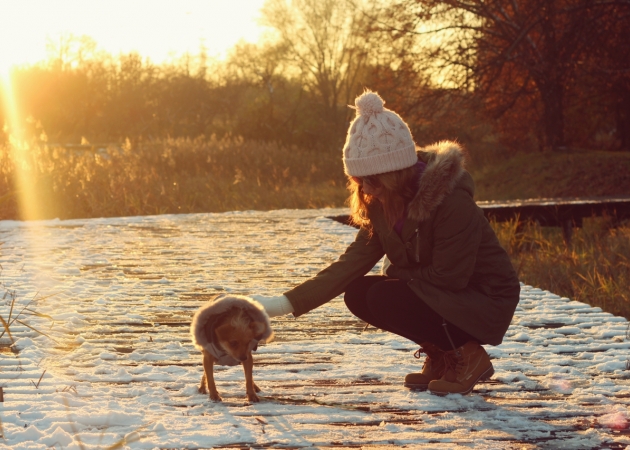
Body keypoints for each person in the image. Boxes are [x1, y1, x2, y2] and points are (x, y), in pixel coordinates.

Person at [253, 90, 520, 396]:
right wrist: (281, 304)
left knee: (384, 293)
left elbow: (452, 277)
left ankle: (467, 355)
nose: (366, 189)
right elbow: (350, 265)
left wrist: (398, 274)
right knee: (359, 292)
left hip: (484, 297)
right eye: (359, 180)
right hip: (440, 292)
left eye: (373, 180)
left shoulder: (451, 201)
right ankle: (444, 355)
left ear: (396, 171)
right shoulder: (382, 202)